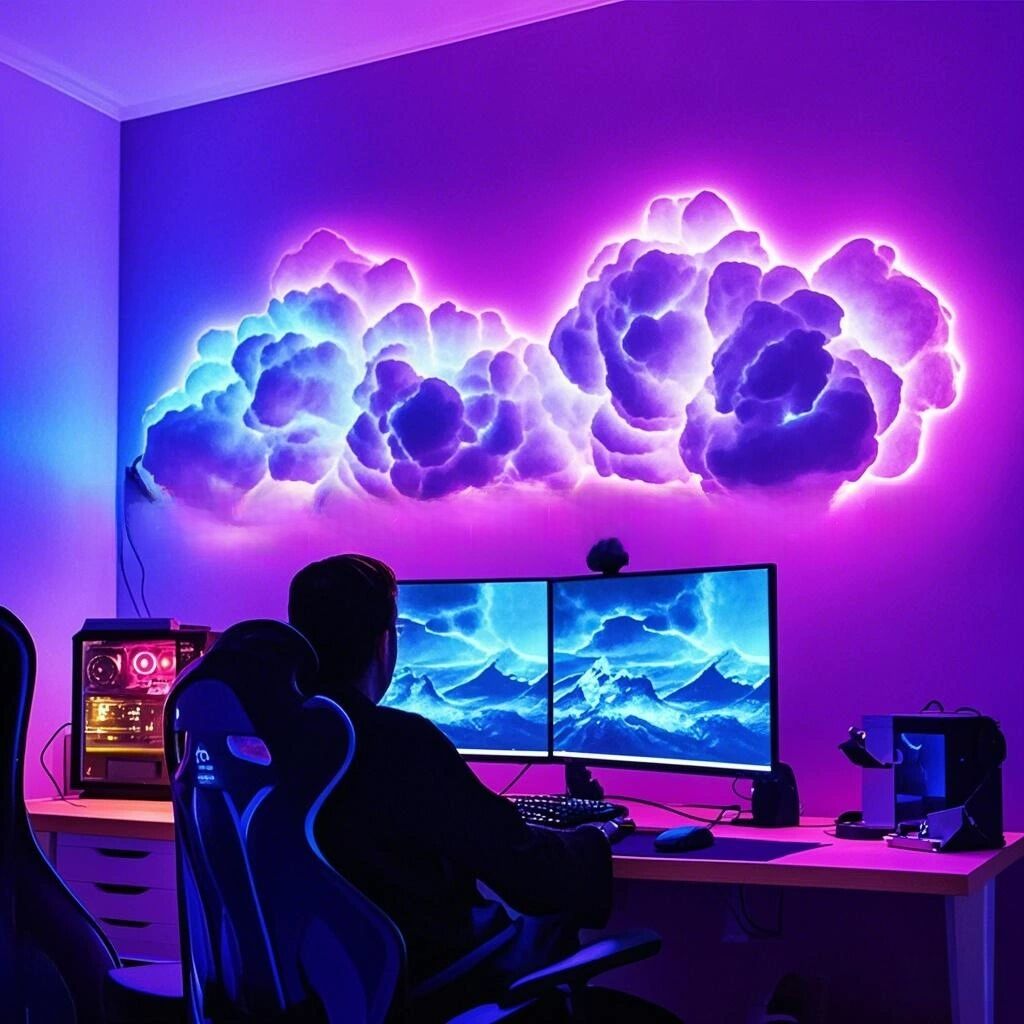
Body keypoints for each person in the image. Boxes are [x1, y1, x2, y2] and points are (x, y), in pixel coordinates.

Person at [287, 554, 617, 1002]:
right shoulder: (398, 742)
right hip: (431, 985)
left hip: (322, 993)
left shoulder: (270, 746)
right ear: (384, 643)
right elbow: (527, 871)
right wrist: (597, 835)